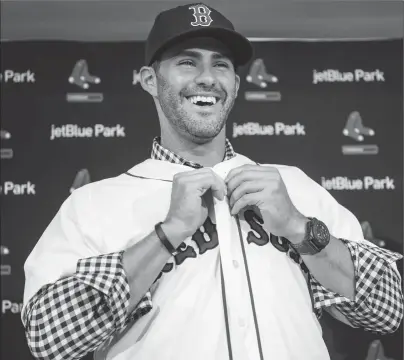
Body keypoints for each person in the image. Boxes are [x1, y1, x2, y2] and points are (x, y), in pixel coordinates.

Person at [22, 3, 403, 360]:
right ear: (150, 80)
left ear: (235, 85)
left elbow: (387, 309)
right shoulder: (94, 203)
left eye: (220, 65)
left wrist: (299, 228)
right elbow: (48, 338)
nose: (207, 78)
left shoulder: (293, 187)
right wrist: (166, 234)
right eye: (188, 62)